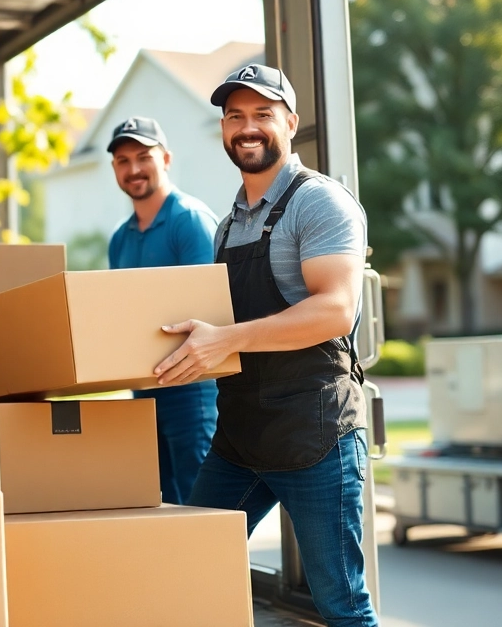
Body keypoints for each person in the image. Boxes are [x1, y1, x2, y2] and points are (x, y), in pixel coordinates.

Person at [154, 64, 378, 627]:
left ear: (291, 123)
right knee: (189, 563)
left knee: (342, 606)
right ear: (224, 129)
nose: (247, 127)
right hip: (241, 436)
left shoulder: (319, 203)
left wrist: (226, 339)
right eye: (235, 116)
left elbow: (335, 309)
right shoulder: (228, 225)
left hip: (313, 435)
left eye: (262, 114)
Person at [105, 117, 221, 506]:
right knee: (165, 507)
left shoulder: (189, 221)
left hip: (191, 388)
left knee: (202, 506)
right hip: (146, 390)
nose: (133, 169)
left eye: (144, 157)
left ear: (166, 159)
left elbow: (209, 309)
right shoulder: (120, 238)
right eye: (123, 161)